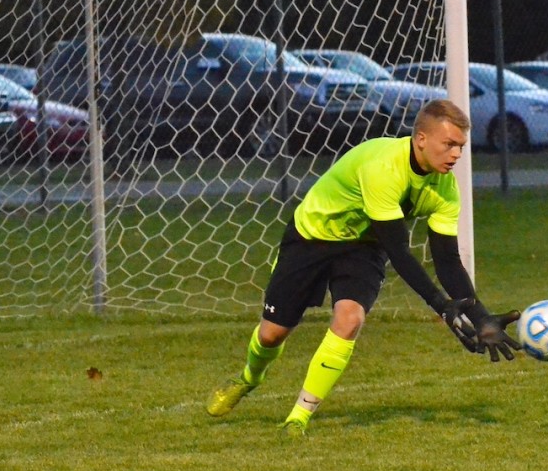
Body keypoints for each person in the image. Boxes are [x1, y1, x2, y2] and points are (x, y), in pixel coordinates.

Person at [206, 99, 522, 435]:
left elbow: (447, 261)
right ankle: (248, 379)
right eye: (449, 144)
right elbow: (399, 252)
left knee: (350, 318)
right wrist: (442, 307)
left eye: (460, 146)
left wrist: (481, 317)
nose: (456, 154)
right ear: (421, 139)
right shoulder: (384, 167)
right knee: (272, 334)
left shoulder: (445, 190)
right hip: (314, 234)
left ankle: (298, 417)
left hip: (364, 246)